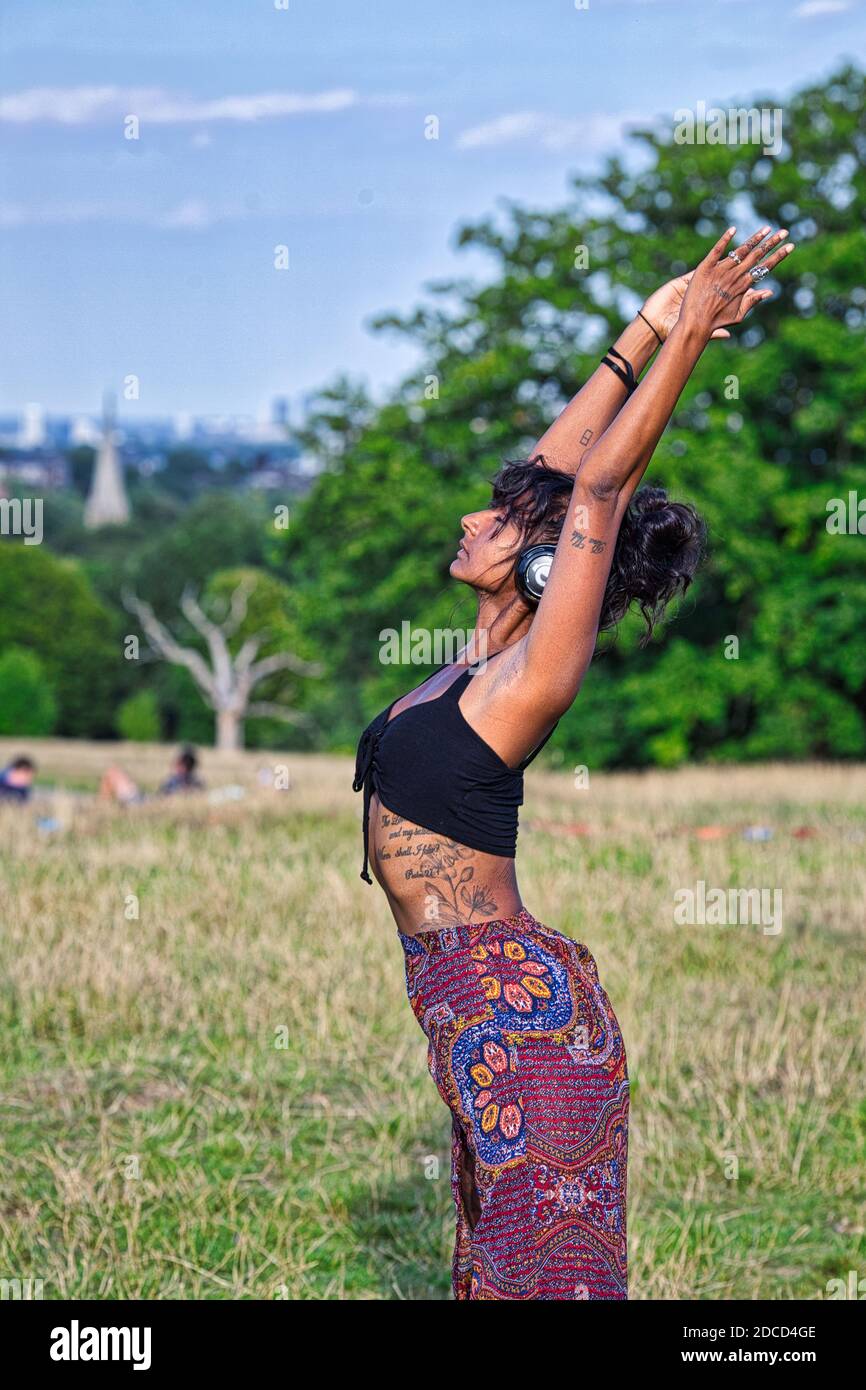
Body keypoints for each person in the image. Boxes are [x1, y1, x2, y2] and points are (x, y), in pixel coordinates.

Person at [353, 226, 794, 1301]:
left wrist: (689, 338)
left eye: (497, 525)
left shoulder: (531, 680)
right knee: (489, 1270)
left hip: (522, 1022)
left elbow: (590, 496)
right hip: (473, 1007)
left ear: (546, 566)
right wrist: (643, 324)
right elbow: (558, 476)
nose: (471, 519)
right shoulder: (473, 664)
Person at [99, 747, 204, 803]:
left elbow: (163, 798)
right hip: (146, 799)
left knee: (112, 773)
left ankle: (102, 803)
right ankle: (103, 802)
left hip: (141, 803)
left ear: (182, 765)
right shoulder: (195, 783)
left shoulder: (183, 784)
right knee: (113, 773)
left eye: (177, 763)